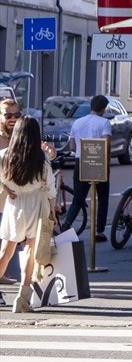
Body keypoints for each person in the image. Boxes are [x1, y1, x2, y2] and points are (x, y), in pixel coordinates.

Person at [0, 117, 56, 313]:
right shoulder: (41, 159)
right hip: (37, 205)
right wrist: (53, 213)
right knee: (31, 252)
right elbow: (50, 188)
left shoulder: (4, 156)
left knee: (6, 252)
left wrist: (6, 188)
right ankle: (22, 298)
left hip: (14, 204)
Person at [62, 94, 113, 242]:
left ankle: (67, 223)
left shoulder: (77, 123)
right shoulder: (104, 123)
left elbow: (72, 146)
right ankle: (99, 231)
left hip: (80, 161)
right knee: (102, 197)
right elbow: (106, 144)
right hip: (99, 162)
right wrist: (107, 162)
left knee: (78, 197)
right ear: (103, 108)